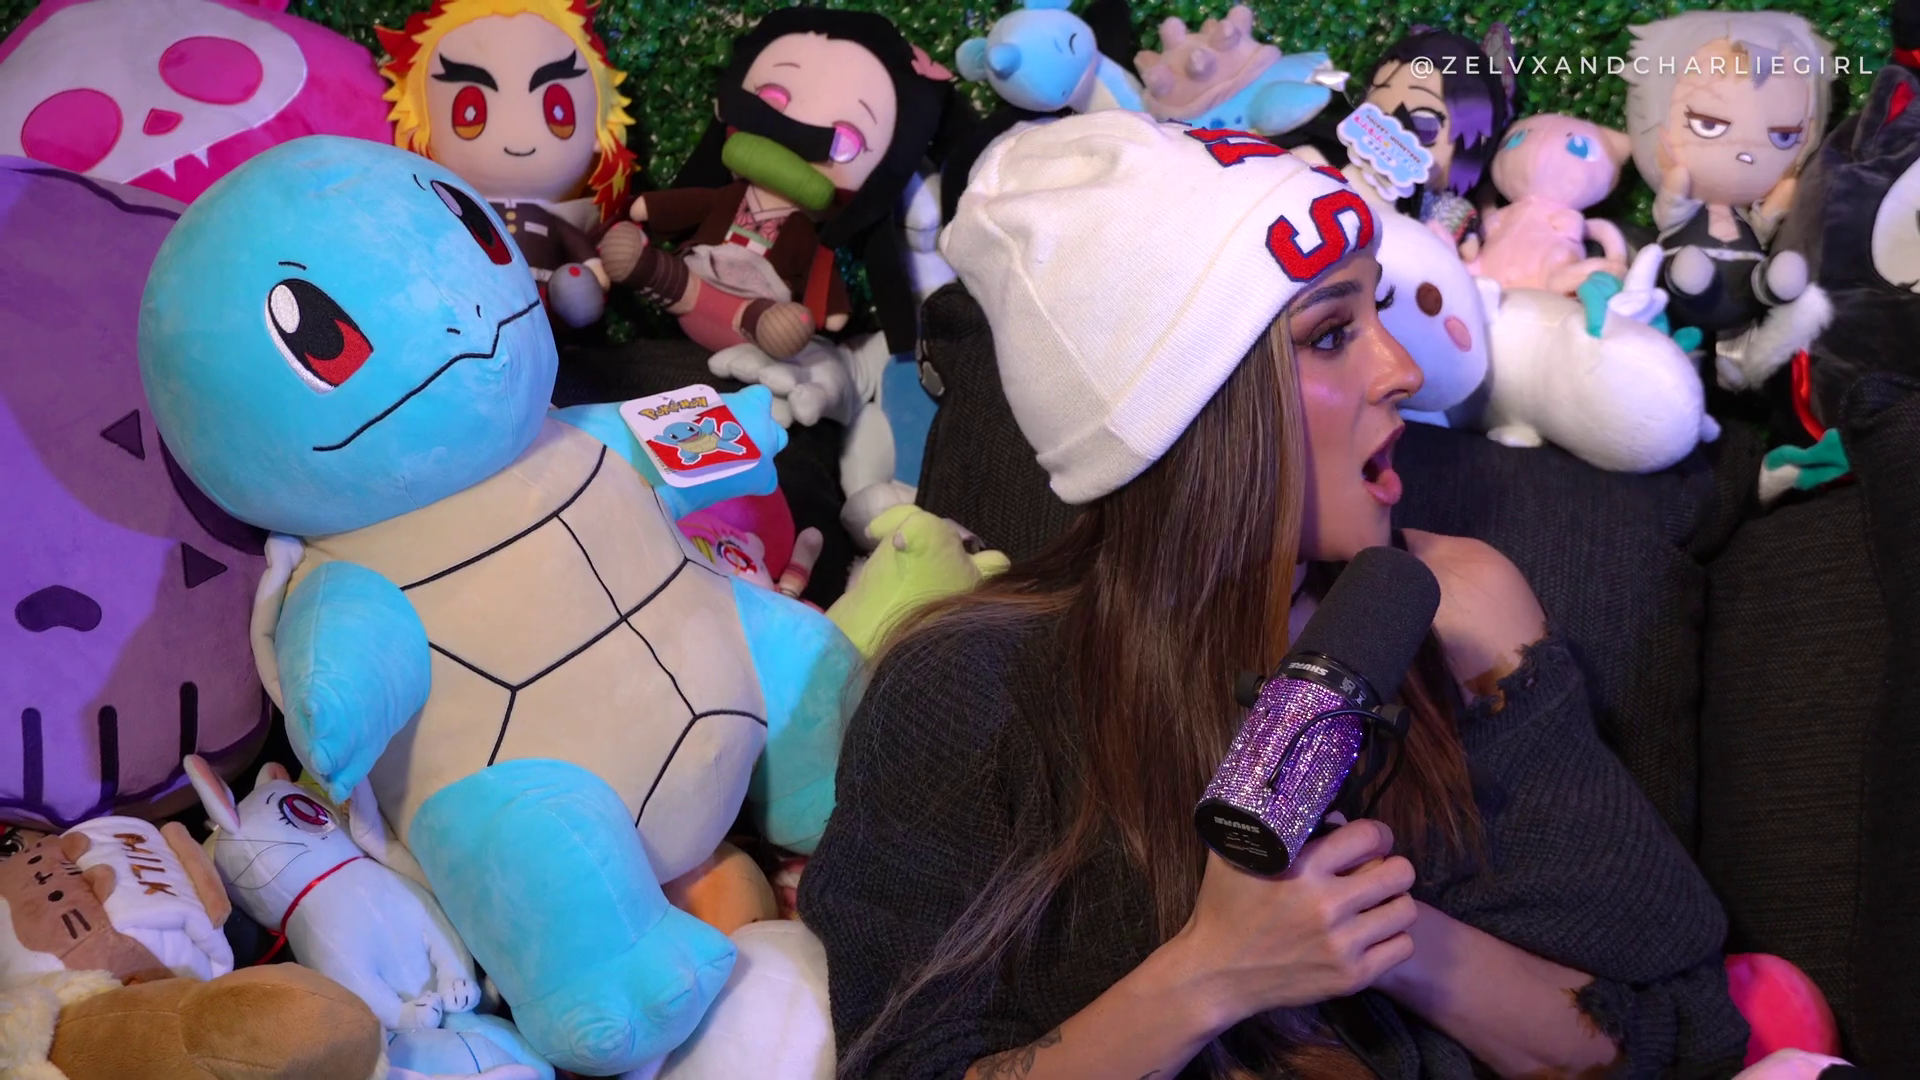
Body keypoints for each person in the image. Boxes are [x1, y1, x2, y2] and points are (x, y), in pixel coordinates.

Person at [796, 111, 1749, 1079]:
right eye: (1331, 334)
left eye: (1379, 312)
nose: (1406, 372)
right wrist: (1213, 974)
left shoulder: (1458, 613)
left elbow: (1670, 1033)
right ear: (1191, 415)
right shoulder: (968, 685)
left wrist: (1373, 927)